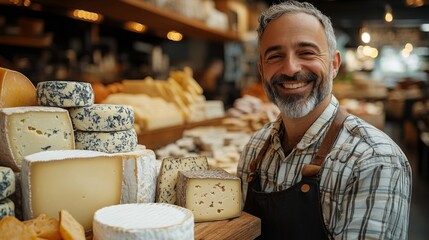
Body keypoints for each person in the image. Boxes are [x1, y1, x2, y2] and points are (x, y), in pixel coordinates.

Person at [237, 1, 412, 239]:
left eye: (306, 52)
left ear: (334, 64)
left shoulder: (374, 159)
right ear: (261, 70)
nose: (290, 68)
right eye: (275, 56)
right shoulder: (254, 150)